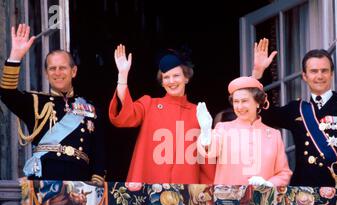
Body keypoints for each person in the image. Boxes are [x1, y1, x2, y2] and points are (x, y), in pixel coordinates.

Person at [254, 40, 337, 187]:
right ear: (304, 76)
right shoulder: (296, 110)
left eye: (324, 70)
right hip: (302, 194)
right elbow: (266, 114)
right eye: (314, 71)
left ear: (331, 74)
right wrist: (257, 75)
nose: (320, 76)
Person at [0, 24, 106, 184]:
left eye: (63, 68)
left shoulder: (90, 109)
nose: (57, 73)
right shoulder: (36, 103)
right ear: (46, 73)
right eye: (52, 68)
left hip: (80, 185)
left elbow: (99, 151)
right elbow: (7, 94)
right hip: (43, 182)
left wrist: (96, 181)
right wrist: (15, 56)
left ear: (74, 71)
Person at [108, 44, 215, 184]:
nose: (171, 81)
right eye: (166, 77)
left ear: (186, 78)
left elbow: (206, 159)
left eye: (176, 75)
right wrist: (122, 76)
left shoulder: (198, 112)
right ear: (162, 82)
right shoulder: (149, 104)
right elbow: (125, 116)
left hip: (186, 189)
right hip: (150, 186)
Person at [196, 76, 292, 187]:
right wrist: (206, 132)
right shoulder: (223, 129)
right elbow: (210, 151)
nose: (240, 106)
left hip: (262, 201)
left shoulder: (274, 135)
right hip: (228, 201)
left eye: (244, 101)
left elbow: (284, 173)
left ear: (257, 102)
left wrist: (268, 184)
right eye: (236, 102)